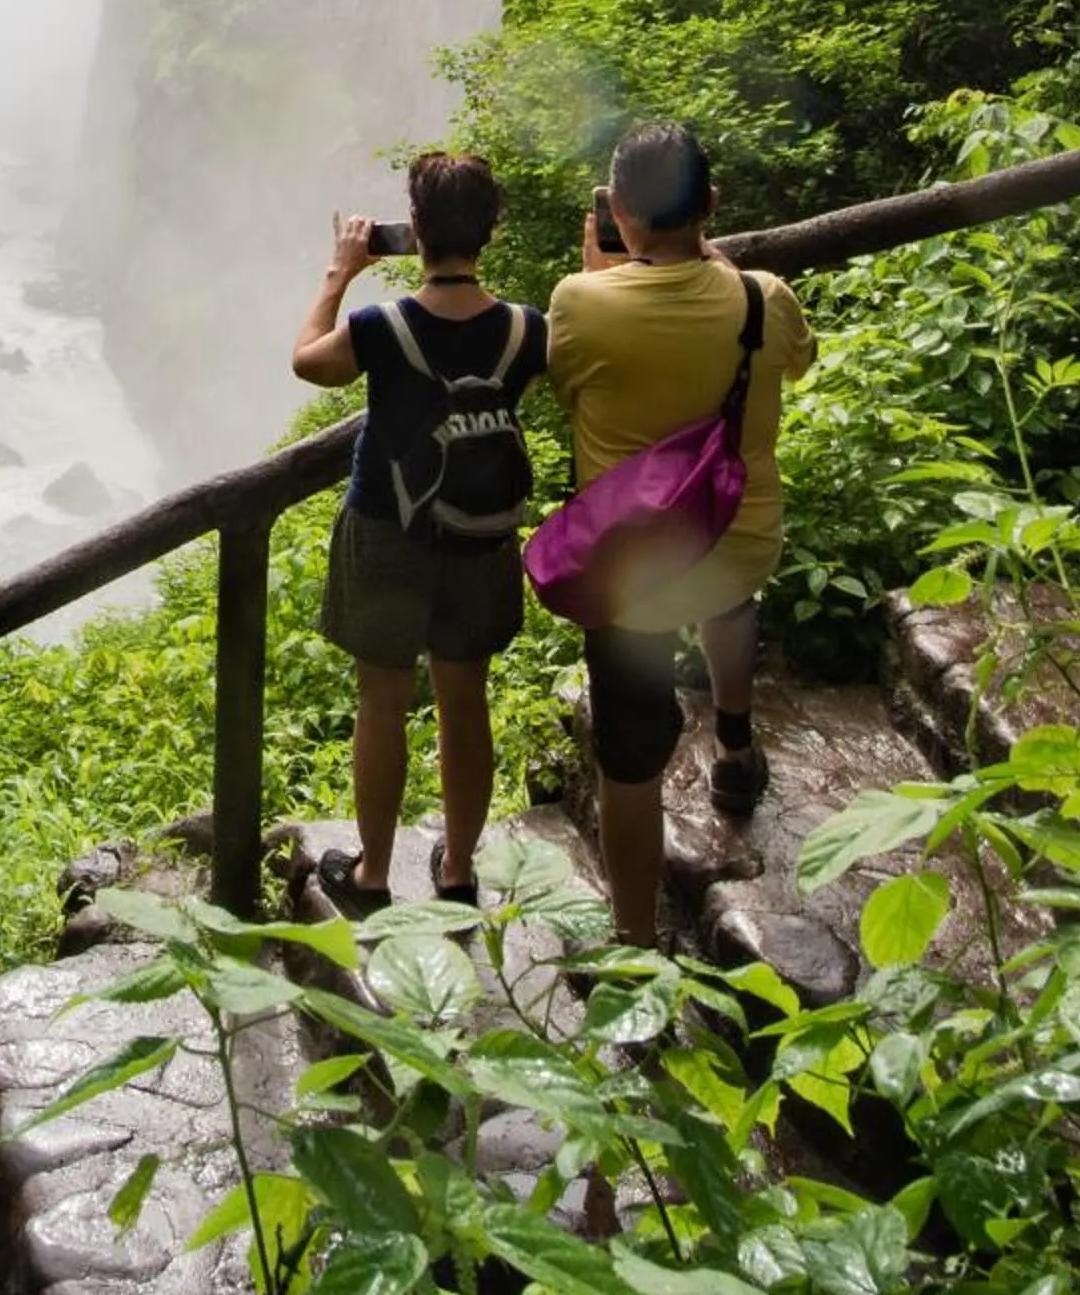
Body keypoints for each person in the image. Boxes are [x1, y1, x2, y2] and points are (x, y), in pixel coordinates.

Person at [547, 121, 816, 949]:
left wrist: (608, 281)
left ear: (618, 213)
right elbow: (798, 363)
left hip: (633, 578)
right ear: (712, 204)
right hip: (736, 544)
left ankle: (633, 941)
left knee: (629, 756)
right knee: (730, 592)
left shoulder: (578, 302)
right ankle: (734, 744)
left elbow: (570, 390)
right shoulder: (760, 296)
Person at [293, 151, 548, 917]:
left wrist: (340, 273)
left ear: (417, 232)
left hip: (386, 528)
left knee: (382, 698)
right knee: (464, 696)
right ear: (490, 231)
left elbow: (309, 364)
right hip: (481, 535)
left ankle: (372, 873)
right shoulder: (526, 331)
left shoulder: (381, 326)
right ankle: (459, 868)